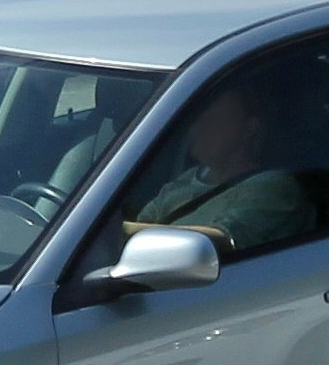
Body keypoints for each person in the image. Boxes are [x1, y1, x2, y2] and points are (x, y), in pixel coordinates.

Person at [134, 79, 313, 252]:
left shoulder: (273, 187)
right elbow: (142, 223)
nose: (198, 125)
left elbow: (223, 241)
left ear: (249, 128)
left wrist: (118, 234)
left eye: (213, 117)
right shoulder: (188, 178)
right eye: (199, 116)